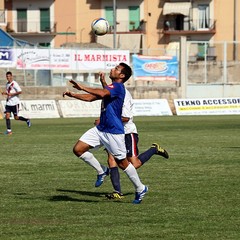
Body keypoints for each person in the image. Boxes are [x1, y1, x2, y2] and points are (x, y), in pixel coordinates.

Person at [63, 63, 148, 204]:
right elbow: (91, 98)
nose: (112, 69)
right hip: (101, 128)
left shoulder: (119, 87)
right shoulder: (110, 88)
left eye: (116, 69)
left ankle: (140, 188)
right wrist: (73, 94)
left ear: (122, 76)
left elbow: (101, 93)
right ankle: (102, 170)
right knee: (78, 149)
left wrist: (82, 86)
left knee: (122, 163)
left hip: (113, 131)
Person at [97, 74, 169, 199]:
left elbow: (126, 117)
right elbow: (107, 94)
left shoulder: (125, 96)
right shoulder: (115, 91)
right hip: (114, 133)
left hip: (127, 132)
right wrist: (103, 82)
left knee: (133, 165)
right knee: (111, 159)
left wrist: (106, 119)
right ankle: (117, 192)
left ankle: (154, 149)